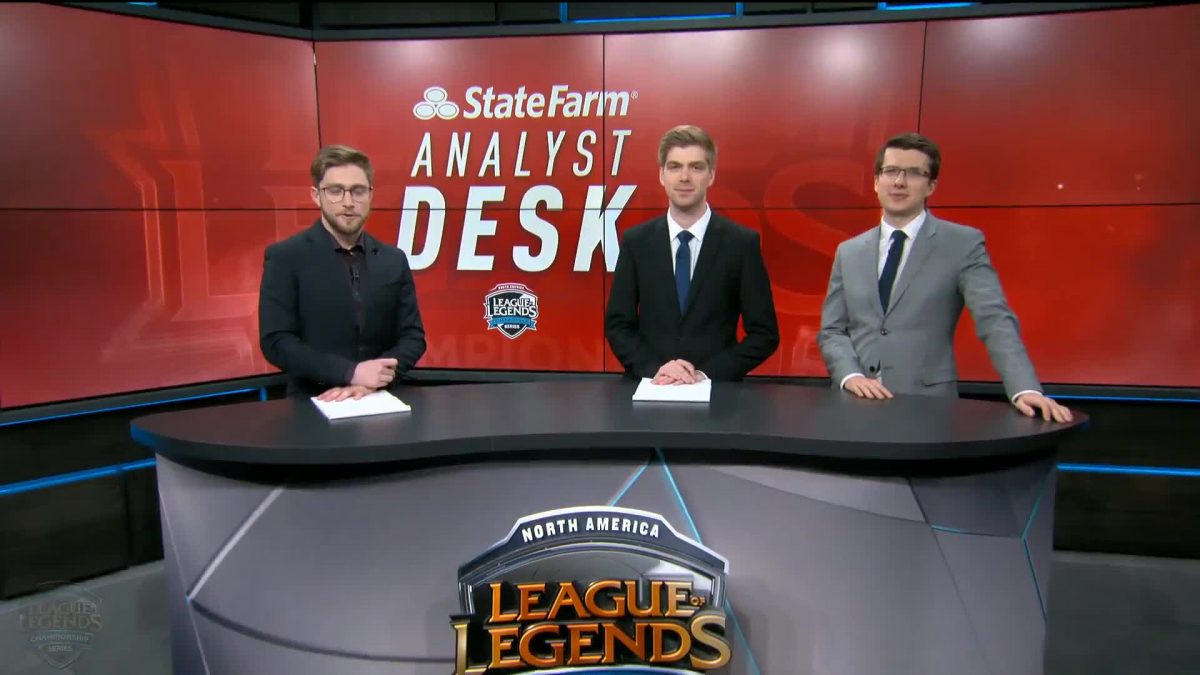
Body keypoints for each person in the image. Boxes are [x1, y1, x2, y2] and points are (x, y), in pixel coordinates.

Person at [818, 132, 1071, 422]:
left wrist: (1024, 388)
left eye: (913, 173)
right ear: (876, 181)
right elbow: (832, 330)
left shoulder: (962, 244)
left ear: (931, 186)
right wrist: (849, 376)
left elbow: (994, 318)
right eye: (891, 171)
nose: (899, 181)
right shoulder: (848, 251)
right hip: (853, 408)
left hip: (928, 409)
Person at [605, 125, 779, 384]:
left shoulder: (741, 244)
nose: (684, 177)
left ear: (711, 175)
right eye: (675, 167)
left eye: (696, 167)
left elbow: (765, 334)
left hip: (717, 393)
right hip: (649, 387)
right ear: (662, 175)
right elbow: (618, 325)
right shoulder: (636, 242)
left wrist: (705, 374)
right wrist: (656, 369)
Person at [259, 145, 426, 401]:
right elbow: (276, 341)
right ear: (317, 195)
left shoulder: (393, 260)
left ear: (370, 195)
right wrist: (351, 373)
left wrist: (375, 379)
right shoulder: (285, 257)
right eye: (336, 191)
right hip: (312, 403)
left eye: (358, 191)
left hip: (380, 399)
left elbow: (413, 338)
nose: (348, 202)